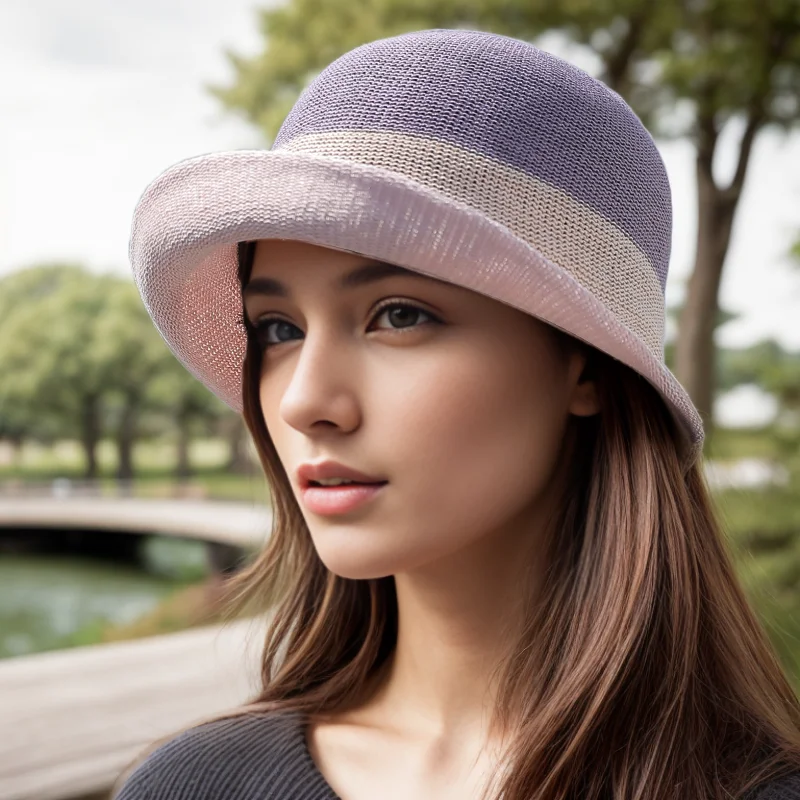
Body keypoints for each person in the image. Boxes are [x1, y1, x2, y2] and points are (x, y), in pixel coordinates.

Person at [112, 28, 800, 800]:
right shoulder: (192, 788)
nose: (305, 401)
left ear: (585, 368)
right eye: (278, 330)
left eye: (399, 315)